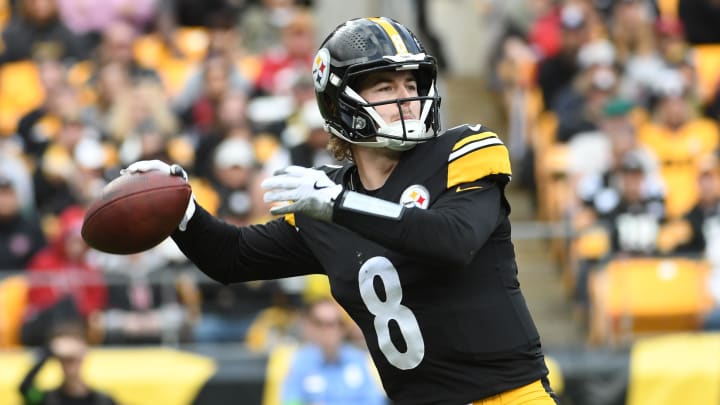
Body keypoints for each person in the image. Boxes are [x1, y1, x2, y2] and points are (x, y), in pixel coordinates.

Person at [124, 17, 558, 404]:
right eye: (386, 86)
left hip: (507, 397)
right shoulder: (327, 199)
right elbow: (230, 257)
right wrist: (179, 206)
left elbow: (453, 240)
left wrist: (341, 206)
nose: (407, 98)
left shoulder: (462, 151)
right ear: (339, 104)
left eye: (411, 84)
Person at [281, 297, 387, 405]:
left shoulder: (358, 359)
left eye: (333, 323)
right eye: (319, 323)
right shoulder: (300, 360)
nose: (327, 330)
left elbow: (376, 400)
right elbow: (290, 400)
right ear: (310, 326)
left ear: (342, 328)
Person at [19, 322, 118, 405]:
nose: (69, 365)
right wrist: (49, 351)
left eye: (73, 358)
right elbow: (25, 389)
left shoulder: (104, 401)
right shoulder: (45, 399)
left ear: (83, 355)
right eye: (64, 359)